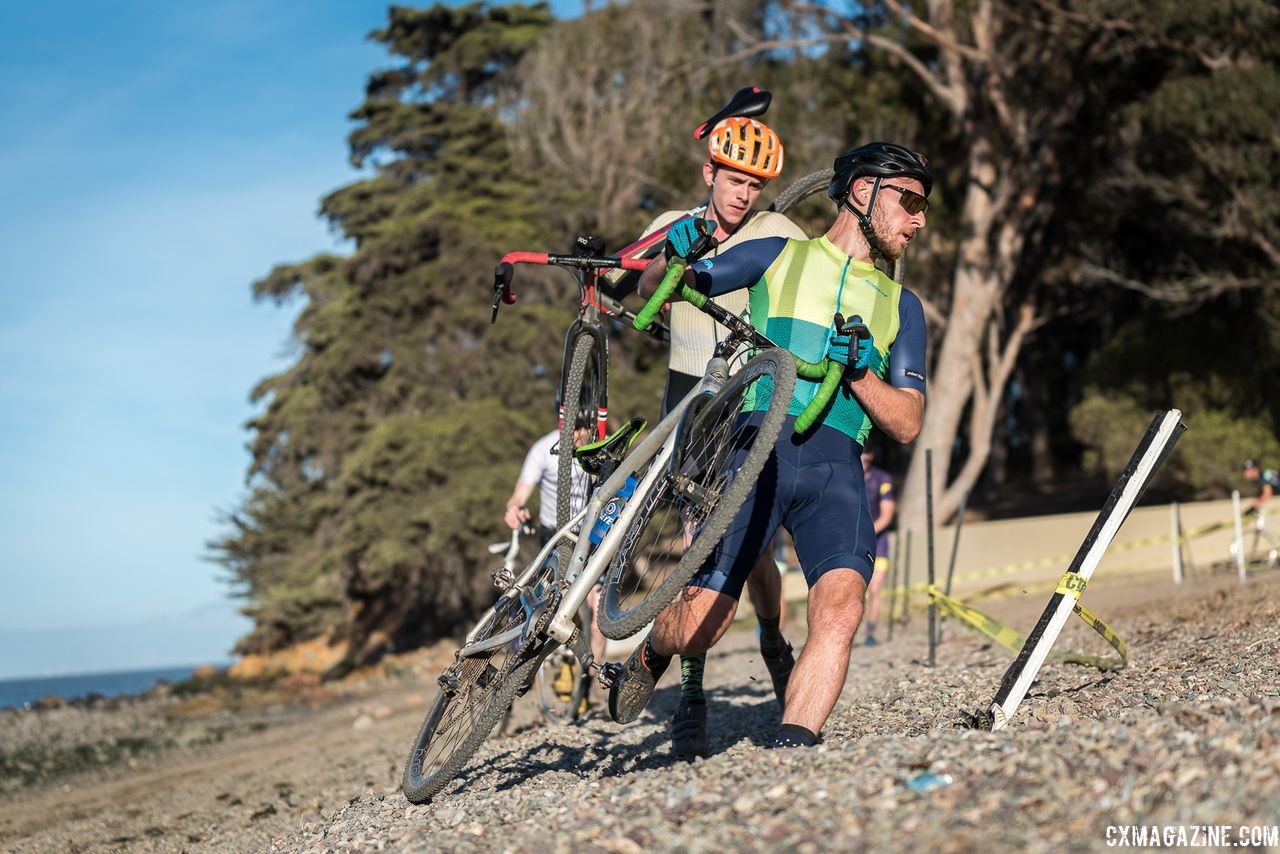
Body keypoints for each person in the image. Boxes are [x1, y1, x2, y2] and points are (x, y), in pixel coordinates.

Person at [610, 141, 931, 750]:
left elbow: (909, 422)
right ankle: (655, 648)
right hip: (760, 447)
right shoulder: (781, 255)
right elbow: (676, 285)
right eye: (910, 201)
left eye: (923, 208)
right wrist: (669, 259)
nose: (918, 221)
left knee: (840, 610)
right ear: (862, 192)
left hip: (837, 468)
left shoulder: (902, 306)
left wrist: (862, 373)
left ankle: (792, 747)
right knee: (704, 624)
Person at [620, 115, 809, 760]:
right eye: (733, 180)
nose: (743, 194)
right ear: (710, 174)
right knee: (698, 549)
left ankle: (773, 639)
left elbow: (809, 282)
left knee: (755, 549)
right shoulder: (676, 220)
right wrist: (673, 255)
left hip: (752, 395)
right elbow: (636, 288)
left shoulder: (777, 229)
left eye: (754, 185)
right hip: (690, 396)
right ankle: (694, 694)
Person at [504, 421, 606, 677]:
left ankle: (589, 680)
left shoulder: (603, 444)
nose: (576, 434)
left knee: (596, 619)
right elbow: (518, 496)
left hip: (593, 535)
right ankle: (562, 670)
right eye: (570, 427)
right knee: (563, 612)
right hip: (555, 536)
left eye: (583, 427)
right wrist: (515, 510)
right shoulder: (542, 449)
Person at [859, 442, 896, 646]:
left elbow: (887, 516)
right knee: (857, 590)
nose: (862, 460)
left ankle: (871, 631)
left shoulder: (883, 479)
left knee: (875, 589)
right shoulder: (849, 477)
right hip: (855, 542)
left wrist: (865, 532)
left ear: (871, 456)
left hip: (878, 543)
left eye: (865, 456)